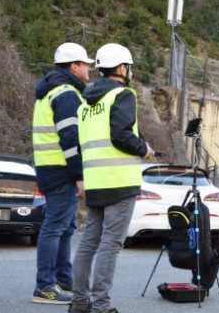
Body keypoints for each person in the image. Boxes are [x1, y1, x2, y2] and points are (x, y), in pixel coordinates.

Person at [70, 43, 154, 313]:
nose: (130, 72)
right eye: (129, 67)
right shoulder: (122, 94)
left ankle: (80, 303)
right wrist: (144, 149)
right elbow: (120, 135)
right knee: (110, 244)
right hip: (119, 181)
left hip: (95, 181)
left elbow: (93, 139)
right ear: (121, 68)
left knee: (88, 242)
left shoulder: (86, 102)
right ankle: (102, 307)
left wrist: (139, 141)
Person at [32, 42, 92, 305]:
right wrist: (79, 175)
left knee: (65, 227)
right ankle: (45, 286)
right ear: (74, 66)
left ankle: (63, 279)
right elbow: (70, 138)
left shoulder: (52, 91)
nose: (89, 69)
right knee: (55, 227)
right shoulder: (66, 93)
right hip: (60, 169)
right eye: (85, 64)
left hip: (51, 167)